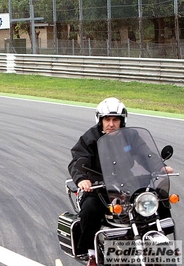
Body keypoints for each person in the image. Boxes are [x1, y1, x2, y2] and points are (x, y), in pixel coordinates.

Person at [68, 97, 172, 266]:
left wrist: (160, 167)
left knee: (158, 197)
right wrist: (82, 179)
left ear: (122, 121)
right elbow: (77, 161)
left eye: (115, 119)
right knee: (89, 209)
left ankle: (160, 236)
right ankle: (92, 254)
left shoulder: (131, 136)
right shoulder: (89, 138)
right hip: (98, 187)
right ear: (100, 120)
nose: (111, 124)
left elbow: (146, 154)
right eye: (107, 119)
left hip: (126, 183)